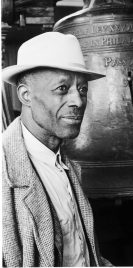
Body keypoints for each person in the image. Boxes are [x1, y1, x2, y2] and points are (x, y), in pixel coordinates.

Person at [2, 32, 112, 267]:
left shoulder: (66, 165)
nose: (79, 101)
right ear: (25, 95)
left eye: (82, 89)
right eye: (62, 88)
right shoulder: (3, 175)